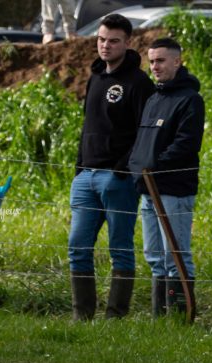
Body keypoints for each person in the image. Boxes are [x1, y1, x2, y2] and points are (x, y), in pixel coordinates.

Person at [68, 13, 155, 321]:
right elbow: (87, 126)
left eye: (113, 41)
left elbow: (144, 133)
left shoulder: (139, 82)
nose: (105, 46)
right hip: (85, 178)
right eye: (101, 39)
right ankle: (82, 316)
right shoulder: (95, 77)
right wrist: (79, 168)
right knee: (77, 247)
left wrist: (122, 169)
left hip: (117, 180)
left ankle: (115, 316)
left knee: (119, 248)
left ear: (127, 43)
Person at [129, 37, 205, 318]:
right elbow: (142, 142)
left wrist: (153, 168)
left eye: (160, 60)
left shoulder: (191, 100)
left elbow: (186, 144)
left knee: (176, 256)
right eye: (151, 61)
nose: (155, 66)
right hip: (148, 189)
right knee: (154, 256)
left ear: (177, 61)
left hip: (173, 191)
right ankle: (159, 318)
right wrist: (138, 169)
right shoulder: (154, 98)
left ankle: (182, 319)